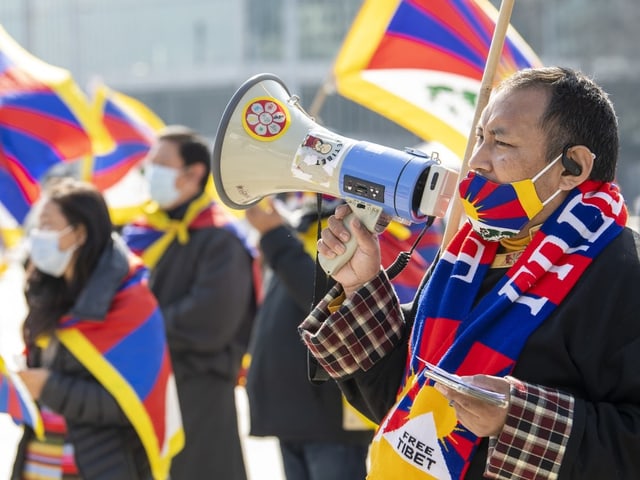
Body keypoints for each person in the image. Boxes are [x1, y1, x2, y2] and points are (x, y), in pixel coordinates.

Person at [299, 66, 640, 479]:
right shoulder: (468, 254)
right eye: (479, 137)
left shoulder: (622, 270)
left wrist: (517, 418)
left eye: (501, 142)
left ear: (573, 166)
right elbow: (401, 401)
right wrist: (361, 285)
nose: (476, 160)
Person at [13, 178, 183, 480]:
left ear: (79, 233)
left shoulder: (132, 304)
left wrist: (48, 387)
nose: (38, 237)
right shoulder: (47, 292)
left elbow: (134, 404)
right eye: (38, 227)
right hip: (39, 460)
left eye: (48, 226)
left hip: (99, 465)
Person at [121, 125, 256, 480]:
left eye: (161, 164)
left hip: (199, 390)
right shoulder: (139, 233)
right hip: (144, 385)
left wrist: (133, 331)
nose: (151, 173)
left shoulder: (220, 239)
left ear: (193, 173)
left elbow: (209, 322)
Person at [244, 195, 374, 480]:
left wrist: (275, 236)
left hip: (328, 417)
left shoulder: (355, 227)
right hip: (293, 411)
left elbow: (323, 302)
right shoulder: (300, 230)